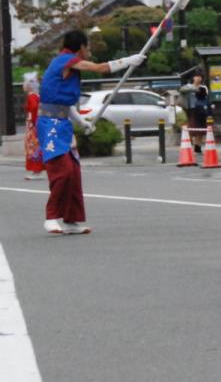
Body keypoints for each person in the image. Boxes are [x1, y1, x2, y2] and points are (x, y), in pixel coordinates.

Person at [38, 29, 144, 234]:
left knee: (74, 172)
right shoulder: (66, 60)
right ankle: (51, 217)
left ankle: (71, 221)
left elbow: (66, 105)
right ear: (80, 47)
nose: (89, 50)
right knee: (62, 170)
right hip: (49, 124)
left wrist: (82, 121)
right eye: (88, 46)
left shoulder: (68, 66)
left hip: (63, 124)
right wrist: (128, 61)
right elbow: (101, 68)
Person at [180, 71, 211, 153]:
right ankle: (189, 145)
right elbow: (182, 89)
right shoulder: (188, 86)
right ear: (193, 78)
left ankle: (198, 146)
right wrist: (194, 88)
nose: (198, 78)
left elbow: (206, 95)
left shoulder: (203, 87)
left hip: (201, 110)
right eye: (196, 76)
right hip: (191, 110)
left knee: (200, 129)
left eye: (200, 77)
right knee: (191, 128)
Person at [23, 72, 44, 180]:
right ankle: (37, 169)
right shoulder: (37, 95)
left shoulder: (31, 96)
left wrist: (33, 122)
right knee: (37, 146)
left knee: (33, 146)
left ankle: (36, 170)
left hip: (33, 124)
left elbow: (34, 108)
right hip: (37, 123)